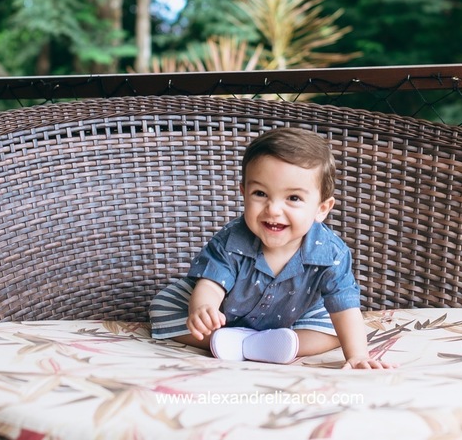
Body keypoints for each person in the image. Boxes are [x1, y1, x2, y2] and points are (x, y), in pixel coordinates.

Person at [149, 127, 394, 369]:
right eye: (260, 193)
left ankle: (270, 345)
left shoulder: (331, 253)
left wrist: (358, 355)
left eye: (293, 198)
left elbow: (344, 306)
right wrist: (204, 308)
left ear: (321, 209)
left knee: (340, 327)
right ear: (244, 192)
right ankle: (231, 341)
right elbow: (211, 284)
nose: (273, 209)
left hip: (294, 318)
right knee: (162, 308)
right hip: (225, 318)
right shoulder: (232, 240)